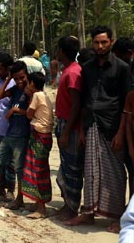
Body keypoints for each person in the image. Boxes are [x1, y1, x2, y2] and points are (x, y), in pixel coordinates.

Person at [67, 26, 133, 233]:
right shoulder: (86, 67)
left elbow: (127, 103)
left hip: (112, 126)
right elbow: (85, 98)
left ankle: (117, 216)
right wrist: (81, 129)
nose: (100, 46)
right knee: (91, 170)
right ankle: (88, 213)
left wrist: (121, 132)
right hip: (91, 124)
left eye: (104, 42)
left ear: (111, 42)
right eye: (96, 42)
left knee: (115, 173)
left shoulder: (122, 68)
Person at [0, 61, 31, 209]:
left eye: (22, 77)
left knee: (18, 167)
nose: (20, 81)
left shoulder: (30, 91)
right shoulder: (15, 89)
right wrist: (8, 79)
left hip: (21, 135)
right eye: (16, 78)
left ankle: (19, 198)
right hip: (10, 133)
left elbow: (31, 112)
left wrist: (16, 111)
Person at [54, 35, 84, 221]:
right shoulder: (69, 70)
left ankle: (72, 208)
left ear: (61, 51)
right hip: (65, 123)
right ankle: (68, 204)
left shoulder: (73, 73)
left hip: (70, 126)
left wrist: (66, 132)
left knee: (72, 168)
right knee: (66, 166)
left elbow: (76, 105)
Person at [21, 72, 54, 218]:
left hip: (39, 134)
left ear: (33, 83)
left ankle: (41, 208)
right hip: (44, 136)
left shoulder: (36, 96)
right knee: (40, 168)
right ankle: (38, 202)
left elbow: (29, 114)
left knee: (37, 170)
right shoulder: (44, 95)